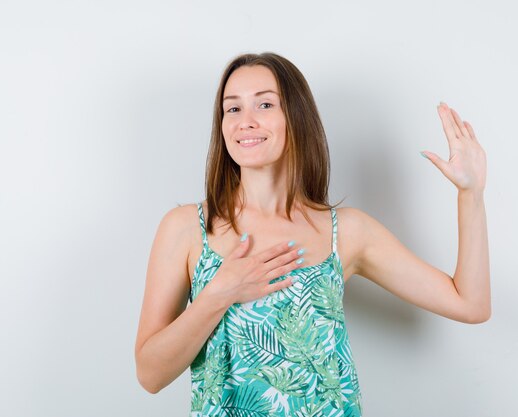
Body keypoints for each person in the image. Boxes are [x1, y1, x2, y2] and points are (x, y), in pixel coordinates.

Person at [134, 52, 490, 416]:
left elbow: (470, 304)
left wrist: (470, 194)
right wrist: (218, 294)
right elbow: (150, 374)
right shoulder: (186, 229)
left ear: (296, 117)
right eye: (233, 109)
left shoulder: (346, 232)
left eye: (265, 104)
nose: (246, 122)